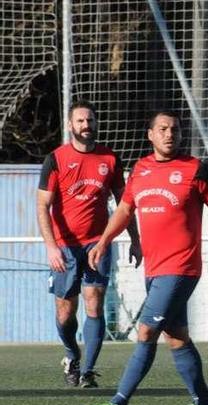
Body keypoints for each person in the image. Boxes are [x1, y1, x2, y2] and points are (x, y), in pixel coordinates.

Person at [85, 110, 208, 405]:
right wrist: (103, 241)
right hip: (153, 269)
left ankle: (117, 403)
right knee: (177, 337)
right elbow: (125, 210)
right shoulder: (140, 170)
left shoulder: (196, 169)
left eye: (176, 129)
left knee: (145, 331)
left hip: (181, 268)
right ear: (150, 134)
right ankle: (204, 403)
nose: (170, 134)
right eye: (164, 129)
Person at [36, 100, 142, 388]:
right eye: (81, 121)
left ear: (96, 124)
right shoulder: (56, 159)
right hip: (65, 247)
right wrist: (51, 246)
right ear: (71, 125)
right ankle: (72, 355)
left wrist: (135, 239)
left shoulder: (110, 159)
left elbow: (124, 204)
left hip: (98, 243)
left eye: (90, 120)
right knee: (65, 311)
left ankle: (88, 371)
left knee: (94, 303)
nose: (86, 126)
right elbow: (42, 205)